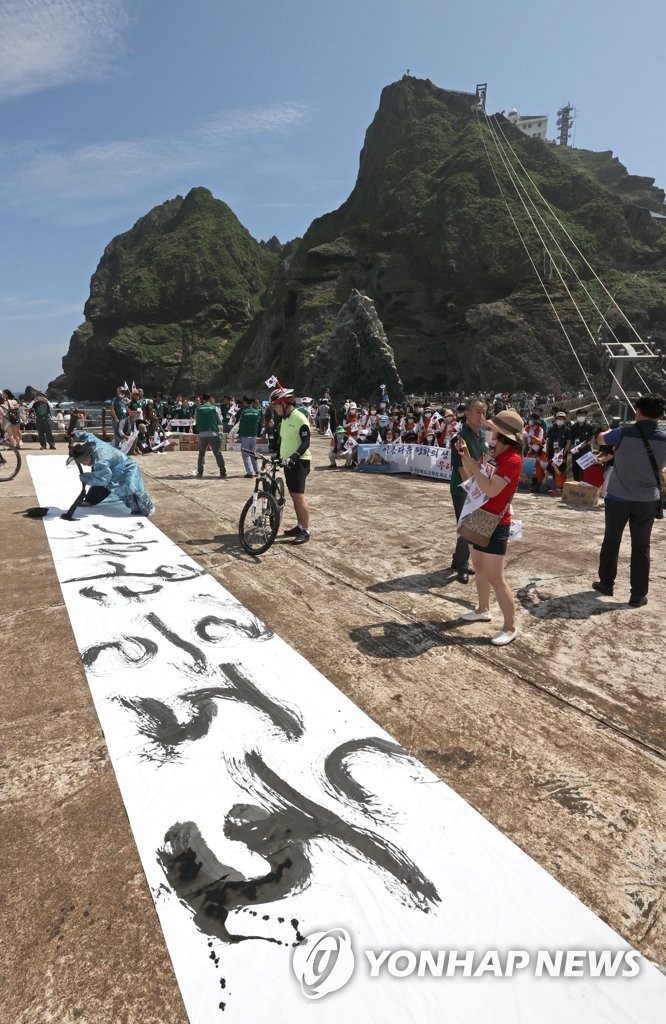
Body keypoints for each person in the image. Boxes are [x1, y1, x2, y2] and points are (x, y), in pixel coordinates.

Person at [592, 394, 666, 607]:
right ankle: (638, 595)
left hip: (618, 498)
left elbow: (600, 439)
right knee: (642, 546)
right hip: (647, 501)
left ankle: (606, 584)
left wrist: (604, 431)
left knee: (611, 541)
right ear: (661, 415)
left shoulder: (622, 433)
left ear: (638, 411)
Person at [458, 409, 524, 646]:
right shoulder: (493, 454)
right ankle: (482, 609)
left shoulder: (513, 460)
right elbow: (473, 477)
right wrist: (466, 458)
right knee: (478, 566)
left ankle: (510, 626)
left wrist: (474, 468)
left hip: (496, 521)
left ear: (503, 435)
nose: (488, 433)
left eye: (492, 430)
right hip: (479, 515)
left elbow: (491, 489)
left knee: (496, 577)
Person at [67, 432, 154, 515]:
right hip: (113, 468)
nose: (85, 464)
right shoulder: (93, 443)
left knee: (131, 488)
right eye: (82, 463)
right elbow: (88, 435)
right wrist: (76, 434)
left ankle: (146, 508)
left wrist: (85, 477)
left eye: (85, 461)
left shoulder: (101, 460)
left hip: (128, 467)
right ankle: (90, 499)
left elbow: (103, 479)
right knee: (101, 481)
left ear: (89, 455)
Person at [449, 398, 487, 583]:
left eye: (484, 412)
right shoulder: (460, 437)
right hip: (463, 488)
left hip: (476, 486)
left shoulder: (481, 436)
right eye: (478, 412)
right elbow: (460, 467)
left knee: (467, 525)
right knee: (467, 527)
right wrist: (473, 490)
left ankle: (457, 560)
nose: (482, 416)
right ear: (468, 414)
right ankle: (463, 566)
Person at [270, 386, 312, 544]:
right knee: (294, 496)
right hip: (288, 462)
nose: (275, 409)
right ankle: (300, 525)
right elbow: (284, 441)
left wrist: (294, 456)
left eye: (276, 405)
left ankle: (306, 530)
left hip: (300, 461)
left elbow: (306, 442)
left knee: (299, 497)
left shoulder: (299, 418)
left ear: (285, 403)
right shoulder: (284, 420)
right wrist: (278, 455)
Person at [195, 394, 227, 478]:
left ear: (202, 399)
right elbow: (220, 421)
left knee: (201, 453)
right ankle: (222, 471)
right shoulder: (215, 408)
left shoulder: (198, 409)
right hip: (213, 433)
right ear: (209, 399)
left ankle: (200, 472)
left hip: (202, 434)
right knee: (217, 453)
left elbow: (196, 420)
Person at [238, 396, 263, 477]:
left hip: (245, 435)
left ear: (245, 402)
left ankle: (249, 472)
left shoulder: (243, 411)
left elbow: (237, 422)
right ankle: (257, 470)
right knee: (253, 454)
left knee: (245, 455)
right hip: (253, 435)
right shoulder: (256, 412)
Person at [569, 408, 596, 481]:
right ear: (577, 416)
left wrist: (586, 443)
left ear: (586, 416)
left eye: (582, 415)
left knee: (585, 471)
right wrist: (571, 447)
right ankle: (576, 486)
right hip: (576, 452)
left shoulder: (590, 427)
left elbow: (594, 439)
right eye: (579, 415)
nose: (581, 416)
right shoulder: (574, 427)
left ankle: (584, 488)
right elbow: (571, 439)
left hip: (586, 452)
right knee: (575, 470)